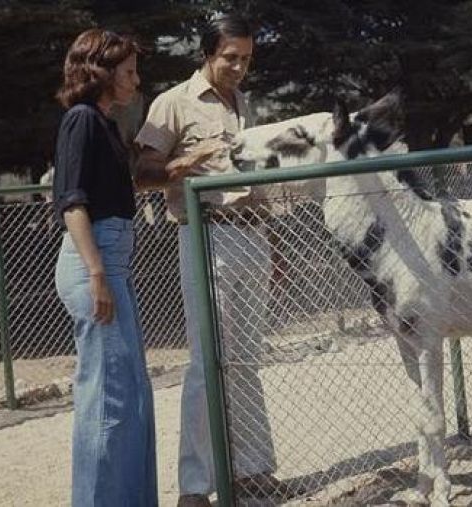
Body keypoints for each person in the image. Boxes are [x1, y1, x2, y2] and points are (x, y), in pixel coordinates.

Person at [134, 13, 292, 507]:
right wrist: (186, 164)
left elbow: (257, 177)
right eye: (230, 58)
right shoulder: (173, 104)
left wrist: (277, 245)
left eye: (246, 58)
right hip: (205, 239)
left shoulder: (243, 102)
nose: (239, 67)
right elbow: (142, 171)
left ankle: (252, 471)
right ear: (207, 54)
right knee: (207, 364)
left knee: (246, 360)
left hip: (252, 237)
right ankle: (195, 487)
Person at [52, 28, 158, 507]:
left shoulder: (105, 123)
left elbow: (118, 191)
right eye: (129, 71)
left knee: (131, 393)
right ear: (102, 71)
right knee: (107, 401)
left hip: (113, 260)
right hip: (95, 261)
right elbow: (73, 203)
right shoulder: (80, 120)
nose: (136, 81)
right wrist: (97, 275)